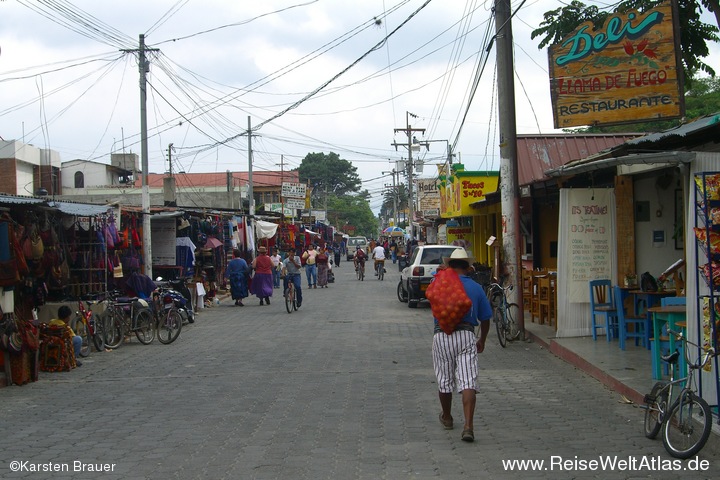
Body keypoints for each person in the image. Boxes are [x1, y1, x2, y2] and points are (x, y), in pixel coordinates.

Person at [432, 248, 492, 443]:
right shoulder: (475, 288)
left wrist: (441, 272)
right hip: (466, 335)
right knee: (468, 382)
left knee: (444, 380)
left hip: (441, 336)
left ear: (449, 265)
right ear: (468, 267)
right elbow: (485, 318)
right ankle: (468, 426)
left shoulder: (438, 282)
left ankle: (447, 417)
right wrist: (481, 339)